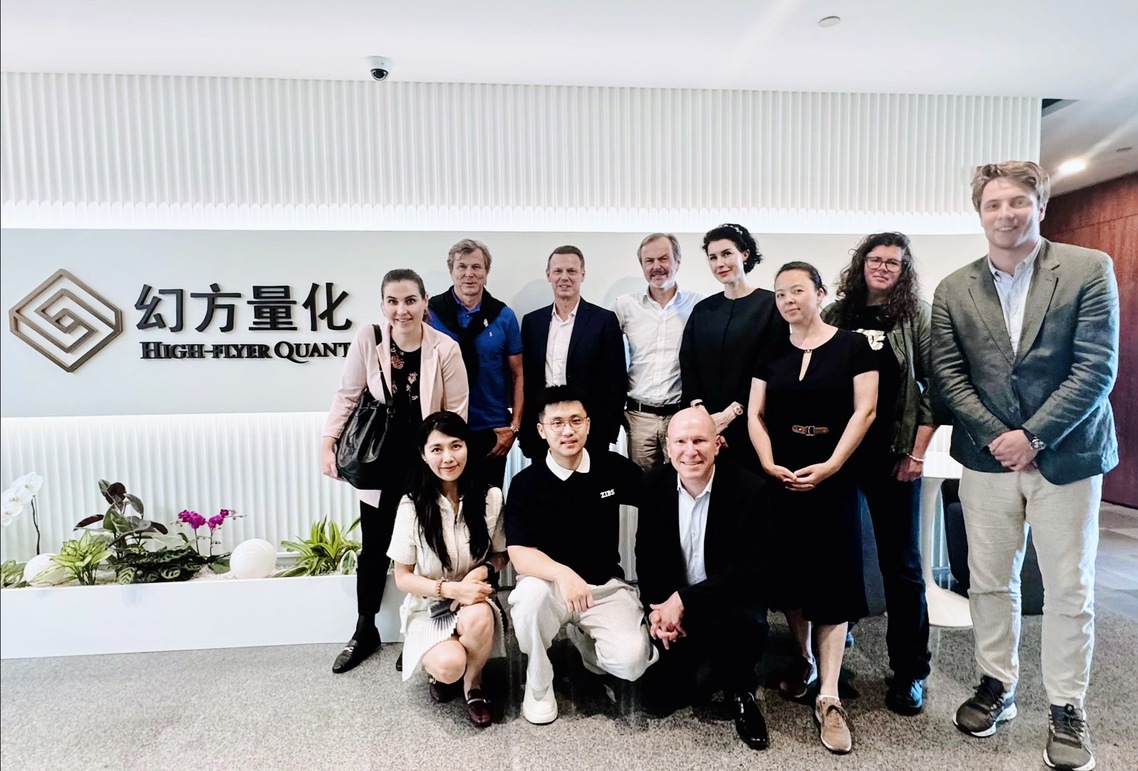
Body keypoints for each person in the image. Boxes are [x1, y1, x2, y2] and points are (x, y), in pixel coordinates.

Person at [931, 161, 1118, 771]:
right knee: (988, 581)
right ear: (979, 212)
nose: (1005, 214)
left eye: (1017, 202)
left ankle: (1067, 707)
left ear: (1040, 207)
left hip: (1068, 453)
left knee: (1069, 587)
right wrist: (1000, 438)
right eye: (993, 204)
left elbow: (1096, 368)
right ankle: (997, 685)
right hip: (987, 460)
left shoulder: (1088, 269)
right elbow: (949, 376)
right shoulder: (953, 288)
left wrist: (1033, 437)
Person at [747, 261, 877, 755]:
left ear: (820, 293)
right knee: (791, 577)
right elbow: (756, 413)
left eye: (797, 290)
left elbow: (865, 410)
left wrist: (832, 465)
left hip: (832, 478)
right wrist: (767, 461)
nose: (787, 300)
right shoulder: (770, 349)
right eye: (780, 293)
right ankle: (802, 658)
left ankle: (829, 695)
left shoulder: (853, 346)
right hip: (781, 476)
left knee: (832, 581)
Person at [321, 268, 469, 675]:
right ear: (383, 305)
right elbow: (348, 394)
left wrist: (447, 461)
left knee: (428, 547)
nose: (401, 310)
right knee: (374, 546)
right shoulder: (368, 339)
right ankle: (364, 628)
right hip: (379, 461)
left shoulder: (445, 348)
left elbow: (456, 413)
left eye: (410, 300)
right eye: (392, 301)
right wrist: (327, 442)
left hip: (424, 463)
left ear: (424, 302)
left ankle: (421, 630)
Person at [822, 232, 935, 715]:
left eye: (893, 262)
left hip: (893, 454)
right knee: (835, 554)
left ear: (904, 269)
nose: (883, 267)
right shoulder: (837, 314)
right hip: (840, 455)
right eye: (876, 259)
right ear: (861, 263)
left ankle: (910, 671)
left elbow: (933, 386)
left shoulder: (916, 316)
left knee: (902, 565)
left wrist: (917, 452)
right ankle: (831, 650)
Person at [505, 385, 656, 724]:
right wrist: (563, 574)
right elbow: (520, 555)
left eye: (576, 421)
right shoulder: (526, 483)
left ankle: (586, 640)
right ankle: (538, 683)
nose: (568, 431)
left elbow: (658, 495)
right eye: (557, 423)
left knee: (631, 663)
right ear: (541, 430)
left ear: (588, 425)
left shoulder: (612, 467)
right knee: (528, 600)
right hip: (549, 587)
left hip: (603, 587)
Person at [635, 406, 772, 750]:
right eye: (681, 442)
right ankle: (702, 662)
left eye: (699, 441)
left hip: (728, 600)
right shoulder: (653, 486)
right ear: (668, 448)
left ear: (717, 444)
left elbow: (751, 571)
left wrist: (683, 600)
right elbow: (647, 558)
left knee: (746, 626)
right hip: (675, 602)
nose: (690, 451)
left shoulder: (749, 489)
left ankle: (741, 689)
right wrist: (658, 612)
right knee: (656, 696)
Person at [386, 411, 508, 728]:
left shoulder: (491, 497)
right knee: (450, 665)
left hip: (474, 602)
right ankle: (445, 670)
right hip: (428, 608)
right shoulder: (411, 506)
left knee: (479, 614)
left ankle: (474, 685)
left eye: (456, 446)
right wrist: (450, 589)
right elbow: (402, 577)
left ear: (467, 447)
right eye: (437, 449)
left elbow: (501, 555)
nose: (448, 458)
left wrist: (481, 572)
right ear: (423, 455)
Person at [680, 224, 785, 472]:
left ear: (745, 254)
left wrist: (730, 414)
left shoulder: (770, 305)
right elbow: (688, 362)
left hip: (753, 422)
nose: (720, 263)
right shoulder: (703, 309)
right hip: (705, 428)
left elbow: (772, 366)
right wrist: (702, 415)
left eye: (727, 254)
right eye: (713, 257)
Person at [428, 238, 524, 489]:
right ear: (451, 272)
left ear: (486, 273)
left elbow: (518, 374)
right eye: (462, 267)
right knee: (445, 504)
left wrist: (514, 428)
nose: (469, 274)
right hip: (443, 427)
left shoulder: (503, 316)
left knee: (489, 504)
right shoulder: (430, 313)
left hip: (492, 431)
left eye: (476, 267)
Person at [519, 246, 627, 459]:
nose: (564, 277)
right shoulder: (532, 322)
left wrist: (607, 430)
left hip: (590, 430)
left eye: (571, 271)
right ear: (548, 275)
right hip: (545, 428)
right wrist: (526, 430)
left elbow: (617, 380)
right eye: (558, 271)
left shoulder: (603, 320)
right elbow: (527, 380)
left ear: (582, 275)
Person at [614, 233, 703, 470]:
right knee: (643, 485)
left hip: (681, 414)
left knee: (683, 480)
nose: (656, 266)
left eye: (663, 259)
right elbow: (605, 356)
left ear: (677, 262)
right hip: (639, 417)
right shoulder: (625, 306)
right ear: (642, 265)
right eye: (649, 261)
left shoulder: (698, 305)